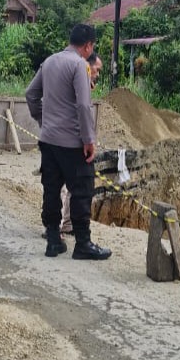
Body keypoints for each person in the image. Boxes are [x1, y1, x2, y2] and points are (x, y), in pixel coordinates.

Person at [26, 24, 111, 260]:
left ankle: (53, 240)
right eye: (92, 46)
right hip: (72, 143)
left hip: (49, 140)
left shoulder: (50, 61)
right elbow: (84, 105)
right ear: (88, 46)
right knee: (82, 190)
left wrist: (43, 120)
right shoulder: (80, 65)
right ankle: (83, 243)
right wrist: (89, 139)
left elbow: (31, 94)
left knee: (51, 189)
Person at [59, 53, 103, 235]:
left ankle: (65, 224)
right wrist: (88, 140)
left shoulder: (72, 77)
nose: (98, 74)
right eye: (97, 69)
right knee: (71, 183)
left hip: (60, 136)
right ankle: (60, 226)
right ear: (88, 65)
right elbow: (83, 109)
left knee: (66, 183)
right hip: (69, 138)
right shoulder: (78, 78)